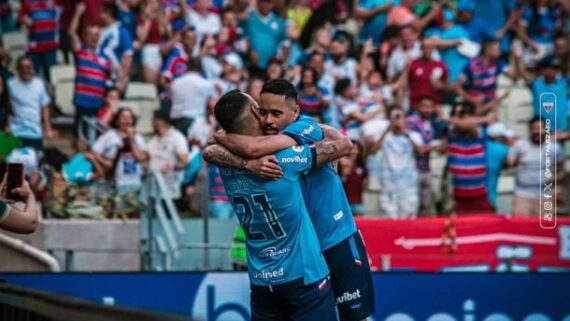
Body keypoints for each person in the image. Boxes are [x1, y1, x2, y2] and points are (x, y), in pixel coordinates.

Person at [209, 80, 375, 321]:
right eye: (263, 112)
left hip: (335, 237)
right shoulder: (251, 149)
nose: (268, 121)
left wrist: (244, 157)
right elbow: (216, 148)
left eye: (276, 113)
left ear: (295, 112)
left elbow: (344, 145)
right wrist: (246, 161)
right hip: (305, 251)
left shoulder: (303, 128)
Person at [369, 105, 423, 218]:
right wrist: (388, 128)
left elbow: (421, 151)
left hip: (408, 185)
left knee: (409, 217)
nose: (398, 120)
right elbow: (373, 151)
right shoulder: (384, 136)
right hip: (389, 185)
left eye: (400, 117)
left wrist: (405, 133)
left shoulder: (413, 135)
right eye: (394, 117)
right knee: (390, 217)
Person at [69, 2, 112, 137]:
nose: (94, 38)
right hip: (82, 103)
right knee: (80, 138)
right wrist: (78, 13)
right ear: (85, 37)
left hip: (97, 104)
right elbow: (71, 33)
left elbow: (108, 80)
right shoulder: (81, 52)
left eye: (96, 35)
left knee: (95, 137)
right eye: (90, 35)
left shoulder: (105, 58)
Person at [444, 101, 495, 214]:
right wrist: (485, 118)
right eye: (459, 115)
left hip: (479, 193)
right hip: (458, 195)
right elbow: (460, 125)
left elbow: (468, 124)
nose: (463, 119)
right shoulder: (452, 133)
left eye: (465, 115)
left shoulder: (481, 133)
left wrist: (482, 120)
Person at [507, 117, 563, 215]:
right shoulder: (520, 145)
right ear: (530, 130)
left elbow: (561, 169)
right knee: (521, 226)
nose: (537, 131)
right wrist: (515, 160)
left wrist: (555, 181)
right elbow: (509, 164)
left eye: (540, 128)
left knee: (545, 227)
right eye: (535, 128)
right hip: (522, 194)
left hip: (545, 195)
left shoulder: (554, 147)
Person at [6, 56, 54, 152]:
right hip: (16, 132)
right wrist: (8, 125)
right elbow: (7, 106)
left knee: (34, 163)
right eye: (22, 67)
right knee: (14, 164)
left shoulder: (39, 84)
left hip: (34, 132)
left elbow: (44, 107)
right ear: (18, 69)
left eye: (28, 67)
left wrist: (48, 128)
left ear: (32, 68)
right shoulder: (10, 84)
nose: (26, 70)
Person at [148, 110, 189, 200]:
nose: (151, 123)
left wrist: (173, 167)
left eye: (153, 120)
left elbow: (185, 162)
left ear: (160, 121)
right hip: (154, 190)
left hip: (170, 190)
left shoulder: (177, 138)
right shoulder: (153, 140)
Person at [170, 58, 217, 134]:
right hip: (195, 122)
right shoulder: (206, 84)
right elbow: (213, 104)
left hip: (175, 121)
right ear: (201, 69)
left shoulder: (175, 82)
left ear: (187, 67)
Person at [18, 0, 59, 81]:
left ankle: (49, 92)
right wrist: (26, 20)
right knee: (34, 75)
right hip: (34, 46)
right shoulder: (28, 2)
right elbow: (21, 16)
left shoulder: (55, 1)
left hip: (50, 45)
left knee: (50, 75)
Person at [98, 2, 133, 92]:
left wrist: (122, 79)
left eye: (102, 12)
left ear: (109, 13)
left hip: (114, 77)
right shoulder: (99, 30)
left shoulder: (122, 31)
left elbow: (128, 56)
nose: (99, 15)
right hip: (99, 75)